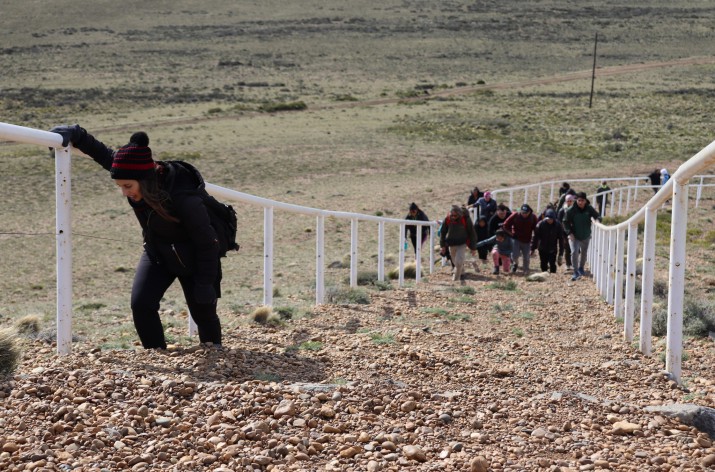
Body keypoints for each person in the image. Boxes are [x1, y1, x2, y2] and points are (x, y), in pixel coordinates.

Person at [49, 124, 224, 349]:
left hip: (194, 259)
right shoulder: (130, 169)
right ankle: (155, 354)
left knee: (204, 312)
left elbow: (208, 244)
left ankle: (216, 355)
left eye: (128, 186)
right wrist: (74, 133)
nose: (124, 192)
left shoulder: (184, 198)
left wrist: (205, 283)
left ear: (145, 179)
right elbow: (102, 152)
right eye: (120, 186)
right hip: (158, 253)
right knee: (141, 305)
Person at [563, 191, 601, 281]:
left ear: (585, 201)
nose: (580, 202)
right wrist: (569, 233)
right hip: (574, 236)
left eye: (582, 200)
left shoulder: (589, 209)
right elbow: (565, 222)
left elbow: (597, 216)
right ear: (576, 200)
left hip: (586, 235)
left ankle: (581, 268)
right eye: (579, 200)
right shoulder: (571, 210)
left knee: (584, 252)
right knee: (574, 252)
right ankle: (575, 272)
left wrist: (598, 220)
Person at [439, 205, 477, 281]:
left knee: (459, 261)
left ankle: (456, 278)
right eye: (451, 215)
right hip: (451, 243)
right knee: (455, 261)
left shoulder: (466, 219)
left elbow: (472, 233)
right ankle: (461, 272)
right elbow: (443, 232)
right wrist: (442, 245)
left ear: (459, 214)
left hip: (462, 243)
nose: (453, 217)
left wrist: (473, 248)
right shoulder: (447, 219)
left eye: (455, 215)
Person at [503, 204, 538, 275]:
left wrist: (534, 240)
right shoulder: (515, 215)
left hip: (527, 240)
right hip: (516, 239)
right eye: (522, 212)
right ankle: (515, 264)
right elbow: (505, 225)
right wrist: (511, 233)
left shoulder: (533, 217)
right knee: (514, 255)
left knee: (526, 257)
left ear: (529, 212)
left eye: (526, 213)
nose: (524, 214)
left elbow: (536, 229)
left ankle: (526, 269)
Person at [531, 209, 565, 274]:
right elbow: (536, 237)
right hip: (542, 247)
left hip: (553, 248)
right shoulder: (540, 224)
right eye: (548, 219)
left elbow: (561, 239)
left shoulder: (558, 225)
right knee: (543, 264)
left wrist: (561, 253)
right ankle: (544, 275)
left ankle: (553, 276)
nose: (549, 220)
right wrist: (532, 248)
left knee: (552, 264)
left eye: (551, 219)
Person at [557, 194, 575, 271]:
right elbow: (559, 221)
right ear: (565, 201)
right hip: (564, 232)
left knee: (574, 249)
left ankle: (573, 263)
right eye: (568, 201)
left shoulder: (575, 210)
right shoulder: (562, 210)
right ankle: (568, 264)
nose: (569, 202)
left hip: (574, 231)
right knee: (567, 248)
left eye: (571, 201)